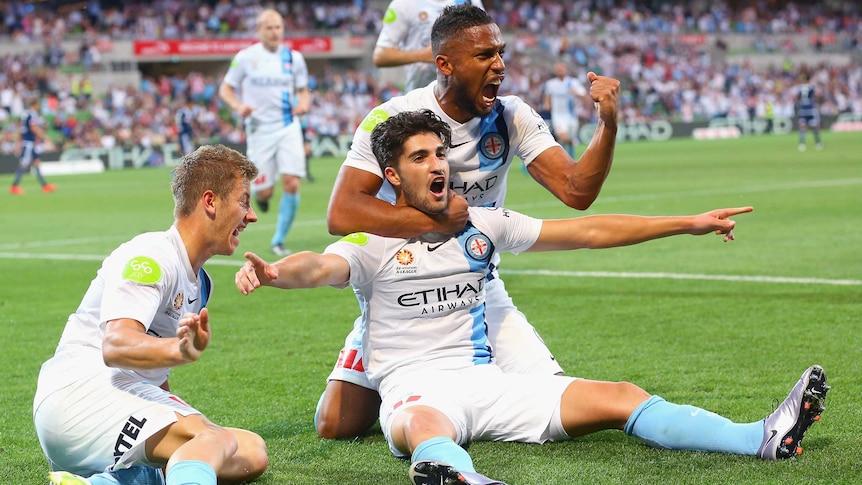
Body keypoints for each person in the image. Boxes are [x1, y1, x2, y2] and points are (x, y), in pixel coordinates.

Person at [236, 110, 828, 485]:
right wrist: (274, 272)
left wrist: (687, 222)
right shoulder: (372, 243)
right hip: (417, 389)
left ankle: (760, 438)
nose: (437, 164)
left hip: (488, 383)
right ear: (393, 176)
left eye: (440, 153)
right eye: (420, 157)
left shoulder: (484, 225)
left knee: (621, 396)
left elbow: (589, 230)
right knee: (417, 422)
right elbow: (317, 266)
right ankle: (459, 476)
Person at [319, 4, 621, 440]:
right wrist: (436, 222)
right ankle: (401, 367)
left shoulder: (512, 115)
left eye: (501, 53)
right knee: (335, 426)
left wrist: (606, 126)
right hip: (399, 283)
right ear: (445, 64)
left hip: (475, 283)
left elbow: (577, 191)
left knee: (555, 400)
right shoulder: (395, 118)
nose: (499, 65)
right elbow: (341, 213)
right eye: (485, 56)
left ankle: (443, 386)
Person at [34, 144, 268, 485]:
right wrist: (178, 351)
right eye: (244, 201)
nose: (251, 215)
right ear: (210, 201)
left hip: (108, 401)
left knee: (249, 451)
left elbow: (154, 381)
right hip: (78, 394)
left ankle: (105, 483)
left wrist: (187, 417)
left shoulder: (199, 282)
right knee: (215, 440)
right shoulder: (152, 255)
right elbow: (115, 346)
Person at [219, 8, 311, 256]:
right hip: (259, 131)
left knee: (291, 182)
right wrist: (239, 106)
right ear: (259, 30)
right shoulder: (246, 58)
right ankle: (263, 197)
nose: (274, 32)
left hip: (287, 126)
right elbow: (226, 89)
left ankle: (278, 240)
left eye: (278, 27)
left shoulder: (294, 58)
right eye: (269, 28)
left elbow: (303, 90)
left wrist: (304, 103)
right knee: (264, 191)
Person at [373, 0, 485, 93]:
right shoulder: (404, 4)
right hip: (420, 94)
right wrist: (422, 55)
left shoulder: (471, 1)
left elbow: (484, 40)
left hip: (463, 93)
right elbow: (380, 56)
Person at [9, 97, 56, 195]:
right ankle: (14, 186)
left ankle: (45, 185)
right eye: (37, 105)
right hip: (29, 143)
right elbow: (33, 128)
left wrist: (19, 142)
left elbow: (22, 130)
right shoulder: (32, 114)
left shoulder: (25, 114)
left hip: (29, 142)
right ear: (35, 105)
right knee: (24, 164)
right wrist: (43, 137)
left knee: (36, 162)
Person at [543, 62, 588, 158]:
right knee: (563, 136)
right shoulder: (551, 84)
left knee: (569, 140)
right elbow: (547, 97)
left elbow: (584, 95)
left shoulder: (573, 82)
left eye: (562, 69)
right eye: (558, 69)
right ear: (555, 71)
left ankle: (570, 161)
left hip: (571, 115)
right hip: (558, 115)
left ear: (566, 70)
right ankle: (563, 159)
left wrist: (575, 92)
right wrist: (547, 104)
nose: (560, 71)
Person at [794, 73, 823, 151]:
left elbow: (797, 98)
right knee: (814, 127)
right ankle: (818, 143)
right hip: (810, 109)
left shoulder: (799, 88)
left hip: (803, 109)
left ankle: (802, 144)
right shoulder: (811, 87)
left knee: (802, 127)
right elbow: (816, 95)